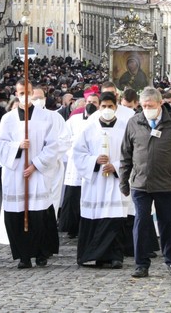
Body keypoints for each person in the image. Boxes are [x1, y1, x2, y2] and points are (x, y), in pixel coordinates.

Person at [120, 87, 171, 278]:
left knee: (168, 223)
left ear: (160, 103)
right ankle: (141, 264)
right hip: (141, 182)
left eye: (150, 106)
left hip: (166, 183)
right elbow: (125, 154)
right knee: (141, 222)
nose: (147, 109)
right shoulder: (134, 122)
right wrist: (124, 180)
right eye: (144, 106)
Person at [0, 80, 65, 268]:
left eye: (28, 92)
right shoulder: (8, 119)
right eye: (21, 92)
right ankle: (23, 255)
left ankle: (41, 253)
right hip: (16, 173)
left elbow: (53, 145)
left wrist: (35, 165)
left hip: (38, 173)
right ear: (16, 94)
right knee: (17, 215)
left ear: (33, 93)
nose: (25, 95)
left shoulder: (46, 117)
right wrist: (17, 146)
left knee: (39, 215)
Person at [72, 92, 131, 268]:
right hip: (95, 181)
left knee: (114, 218)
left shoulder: (125, 127)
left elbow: (132, 154)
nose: (106, 109)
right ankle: (93, 255)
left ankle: (115, 257)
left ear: (116, 107)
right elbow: (78, 153)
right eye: (103, 106)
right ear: (99, 107)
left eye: (110, 106)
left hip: (115, 182)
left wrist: (116, 166)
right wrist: (94, 161)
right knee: (95, 216)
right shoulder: (89, 127)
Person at [59, 89, 99, 238]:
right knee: (73, 197)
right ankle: (72, 227)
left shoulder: (101, 120)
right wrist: (74, 155)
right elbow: (64, 139)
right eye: (89, 102)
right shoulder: (74, 120)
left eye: (95, 102)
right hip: (75, 165)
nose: (91, 105)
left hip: (93, 165)